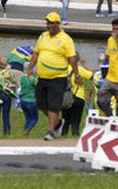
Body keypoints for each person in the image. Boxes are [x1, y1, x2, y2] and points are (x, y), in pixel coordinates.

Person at [27, 12, 80, 140]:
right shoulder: (43, 37)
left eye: (51, 23)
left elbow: (72, 59)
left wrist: (77, 74)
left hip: (58, 76)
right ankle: (57, 122)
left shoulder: (66, 39)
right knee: (41, 104)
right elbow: (36, 54)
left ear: (57, 24)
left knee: (53, 104)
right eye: (48, 23)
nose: (49, 25)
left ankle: (51, 131)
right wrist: (30, 68)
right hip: (43, 76)